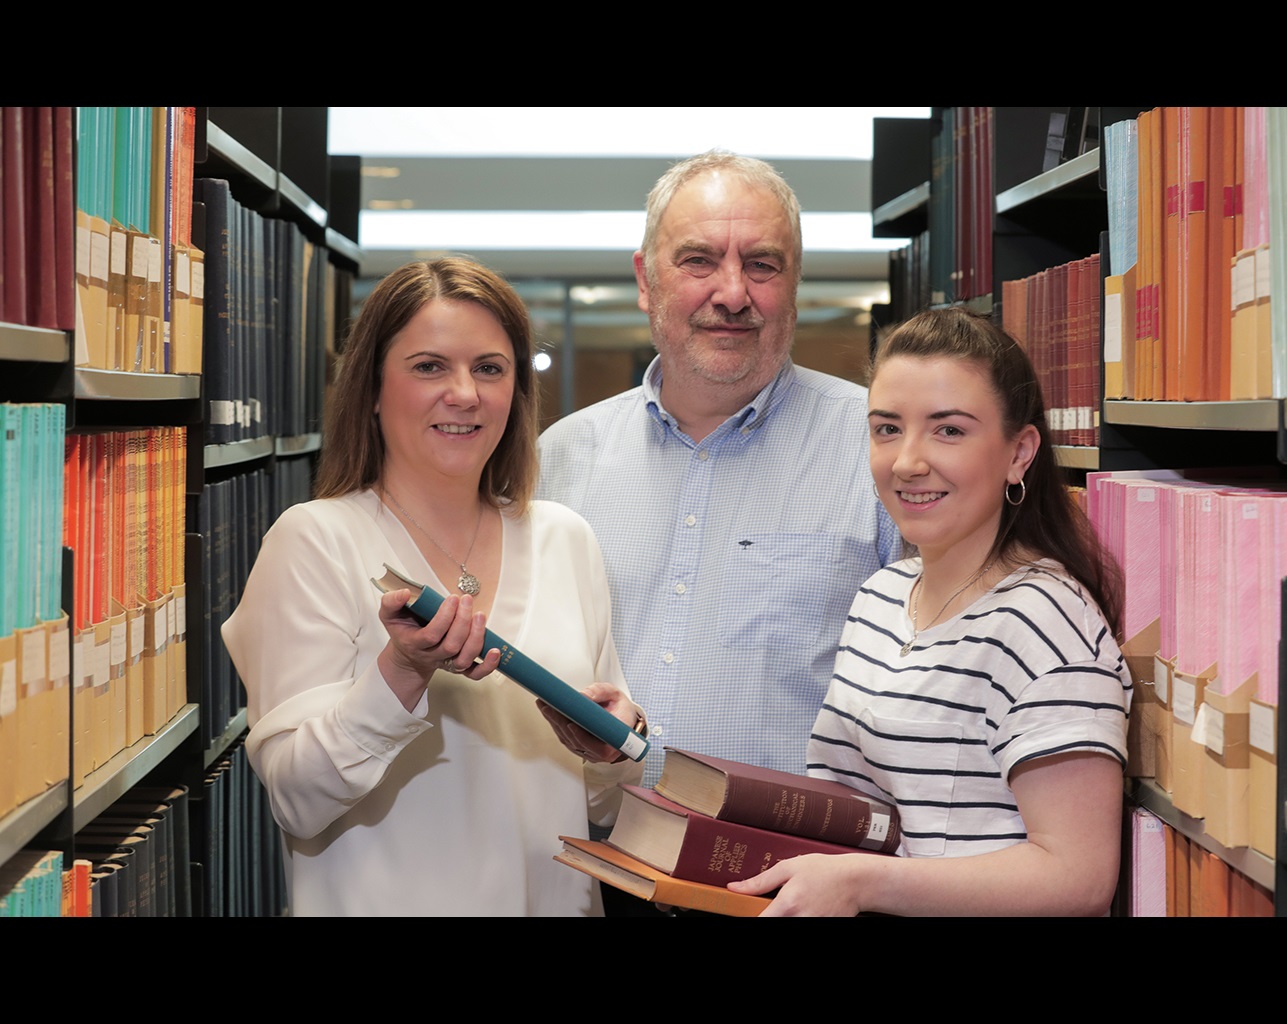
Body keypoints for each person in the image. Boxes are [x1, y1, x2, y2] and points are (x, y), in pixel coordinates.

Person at [222, 257, 642, 917]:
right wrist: (401, 673)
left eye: (490, 368)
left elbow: (604, 803)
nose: (465, 393)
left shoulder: (566, 539)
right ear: (373, 389)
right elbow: (296, 800)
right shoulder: (315, 542)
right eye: (429, 366)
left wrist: (613, 751)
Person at [729, 307, 1132, 916]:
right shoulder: (882, 596)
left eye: (948, 430)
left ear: (1020, 452)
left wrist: (863, 884)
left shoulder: (1045, 621)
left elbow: (1077, 875)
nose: (908, 461)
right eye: (887, 429)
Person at [537, 150, 903, 797]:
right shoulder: (560, 460)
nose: (732, 294)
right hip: (600, 876)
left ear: (794, 284)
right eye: (699, 261)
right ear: (645, 280)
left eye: (762, 265)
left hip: (796, 879)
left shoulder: (880, 450)